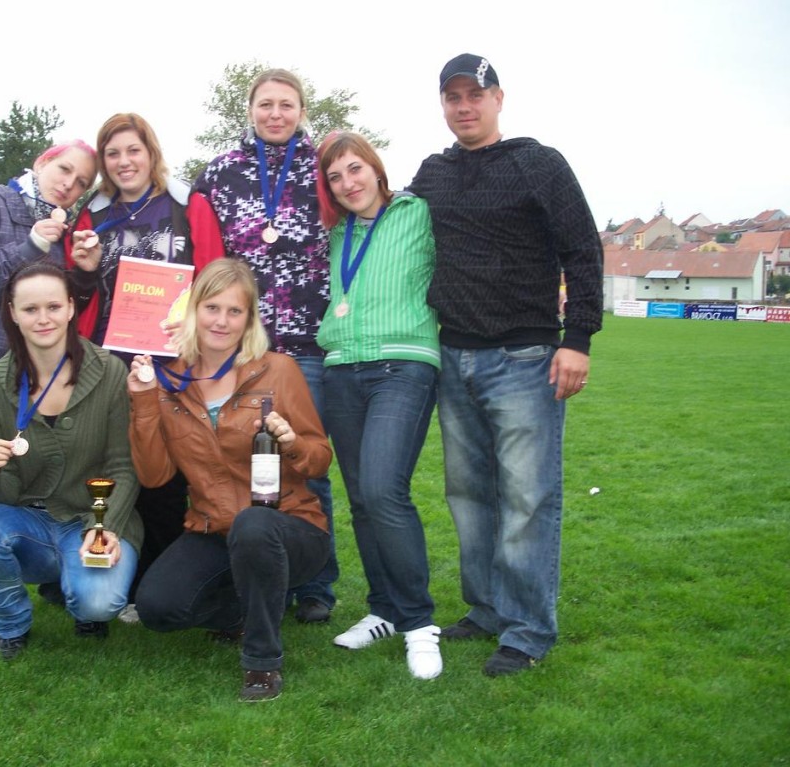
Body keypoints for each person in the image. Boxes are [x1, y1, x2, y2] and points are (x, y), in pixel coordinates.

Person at [409, 53, 604, 676]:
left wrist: (578, 339)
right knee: (469, 496)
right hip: (452, 355)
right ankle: (488, 608)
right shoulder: (433, 172)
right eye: (453, 97)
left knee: (527, 498)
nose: (464, 106)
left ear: (499, 98)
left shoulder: (538, 163)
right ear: (443, 104)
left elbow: (583, 250)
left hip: (525, 357)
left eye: (476, 94)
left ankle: (527, 630)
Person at [127, 258, 331, 702]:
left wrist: (292, 441)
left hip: (289, 527)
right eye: (212, 308)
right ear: (193, 311)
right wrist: (143, 401)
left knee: (253, 524)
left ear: (249, 318)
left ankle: (262, 662)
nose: (221, 321)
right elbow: (154, 476)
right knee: (157, 609)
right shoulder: (168, 382)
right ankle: (248, 607)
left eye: (234, 311)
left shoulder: (279, 370)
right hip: (213, 529)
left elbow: (319, 461)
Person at [191, 68, 338, 624]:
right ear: (250, 109)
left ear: (302, 111)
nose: (276, 114)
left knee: (307, 464)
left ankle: (317, 585)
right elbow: (199, 242)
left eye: (287, 104)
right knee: (237, 459)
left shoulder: (323, 166)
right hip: (241, 346)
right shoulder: (221, 172)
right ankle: (250, 573)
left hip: (308, 342)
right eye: (266, 104)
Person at [66, 114, 221, 621]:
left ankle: (166, 581)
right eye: (113, 153)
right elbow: (75, 293)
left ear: (151, 153)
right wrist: (83, 270)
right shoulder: (92, 215)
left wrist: (195, 330)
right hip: (107, 364)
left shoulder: (188, 205)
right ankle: (105, 574)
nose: (124, 161)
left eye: (133, 150)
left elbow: (214, 277)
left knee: (165, 477)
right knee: (110, 470)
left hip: (174, 365)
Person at [0, 140, 98, 629]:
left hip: (48, 378)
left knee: (51, 480)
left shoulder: (65, 224)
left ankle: (51, 577)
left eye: (81, 182)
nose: (69, 185)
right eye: (64, 170)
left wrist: (84, 274)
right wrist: (31, 246)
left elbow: (63, 306)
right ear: (41, 162)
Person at [0, 261, 140, 659]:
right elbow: (1, 499)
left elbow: (123, 467)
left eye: (53, 307)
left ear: (71, 307)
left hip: (91, 517)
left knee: (98, 602)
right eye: (30, 309)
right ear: (13, 313)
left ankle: (82, 601)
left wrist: (104, 526)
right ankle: (10, 624)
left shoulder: (109, 372)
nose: (43, 319)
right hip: (28, 525)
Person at [314, 133, 442, 679]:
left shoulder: (417, 214)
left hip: (403, 365)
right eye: (335, 177)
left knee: (385, 490)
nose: (348, 184)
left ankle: (419, 624)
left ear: (376, 168)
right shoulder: (335, 233)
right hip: (342, 369)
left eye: (355, 169)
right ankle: (383, 609)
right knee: (363, 501)